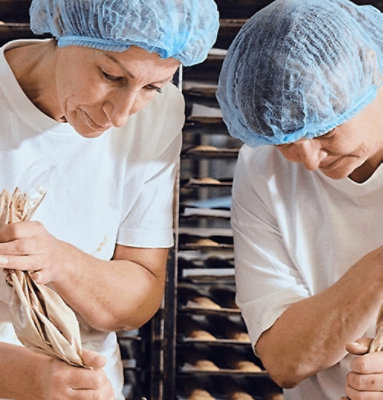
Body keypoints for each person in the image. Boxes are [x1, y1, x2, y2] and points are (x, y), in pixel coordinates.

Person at [0, 0, 219, 399]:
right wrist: (28, 378)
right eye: (111, 75)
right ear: (65, 28)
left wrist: (59, 260)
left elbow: (135, 300)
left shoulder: (159, 115)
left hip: (89, 388)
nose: (121, 116)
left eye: (152, 87)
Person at [216, 0, 383, 399]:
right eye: (286, 142)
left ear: (373, 70)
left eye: (326, 131)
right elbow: (285, 359)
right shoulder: (261, 170)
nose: (308, 161)